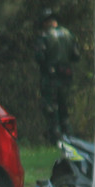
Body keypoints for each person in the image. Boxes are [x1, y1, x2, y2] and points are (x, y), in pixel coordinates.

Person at [34, 8, 80, 141]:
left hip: (50, 77)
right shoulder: (69, 34)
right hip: (66, 76)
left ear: (44, 22)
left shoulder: (44, 36)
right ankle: (69, 136)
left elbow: (39, 57)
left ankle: (56, 138)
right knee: (64, 107)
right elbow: (76, 56)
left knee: (51, 108)